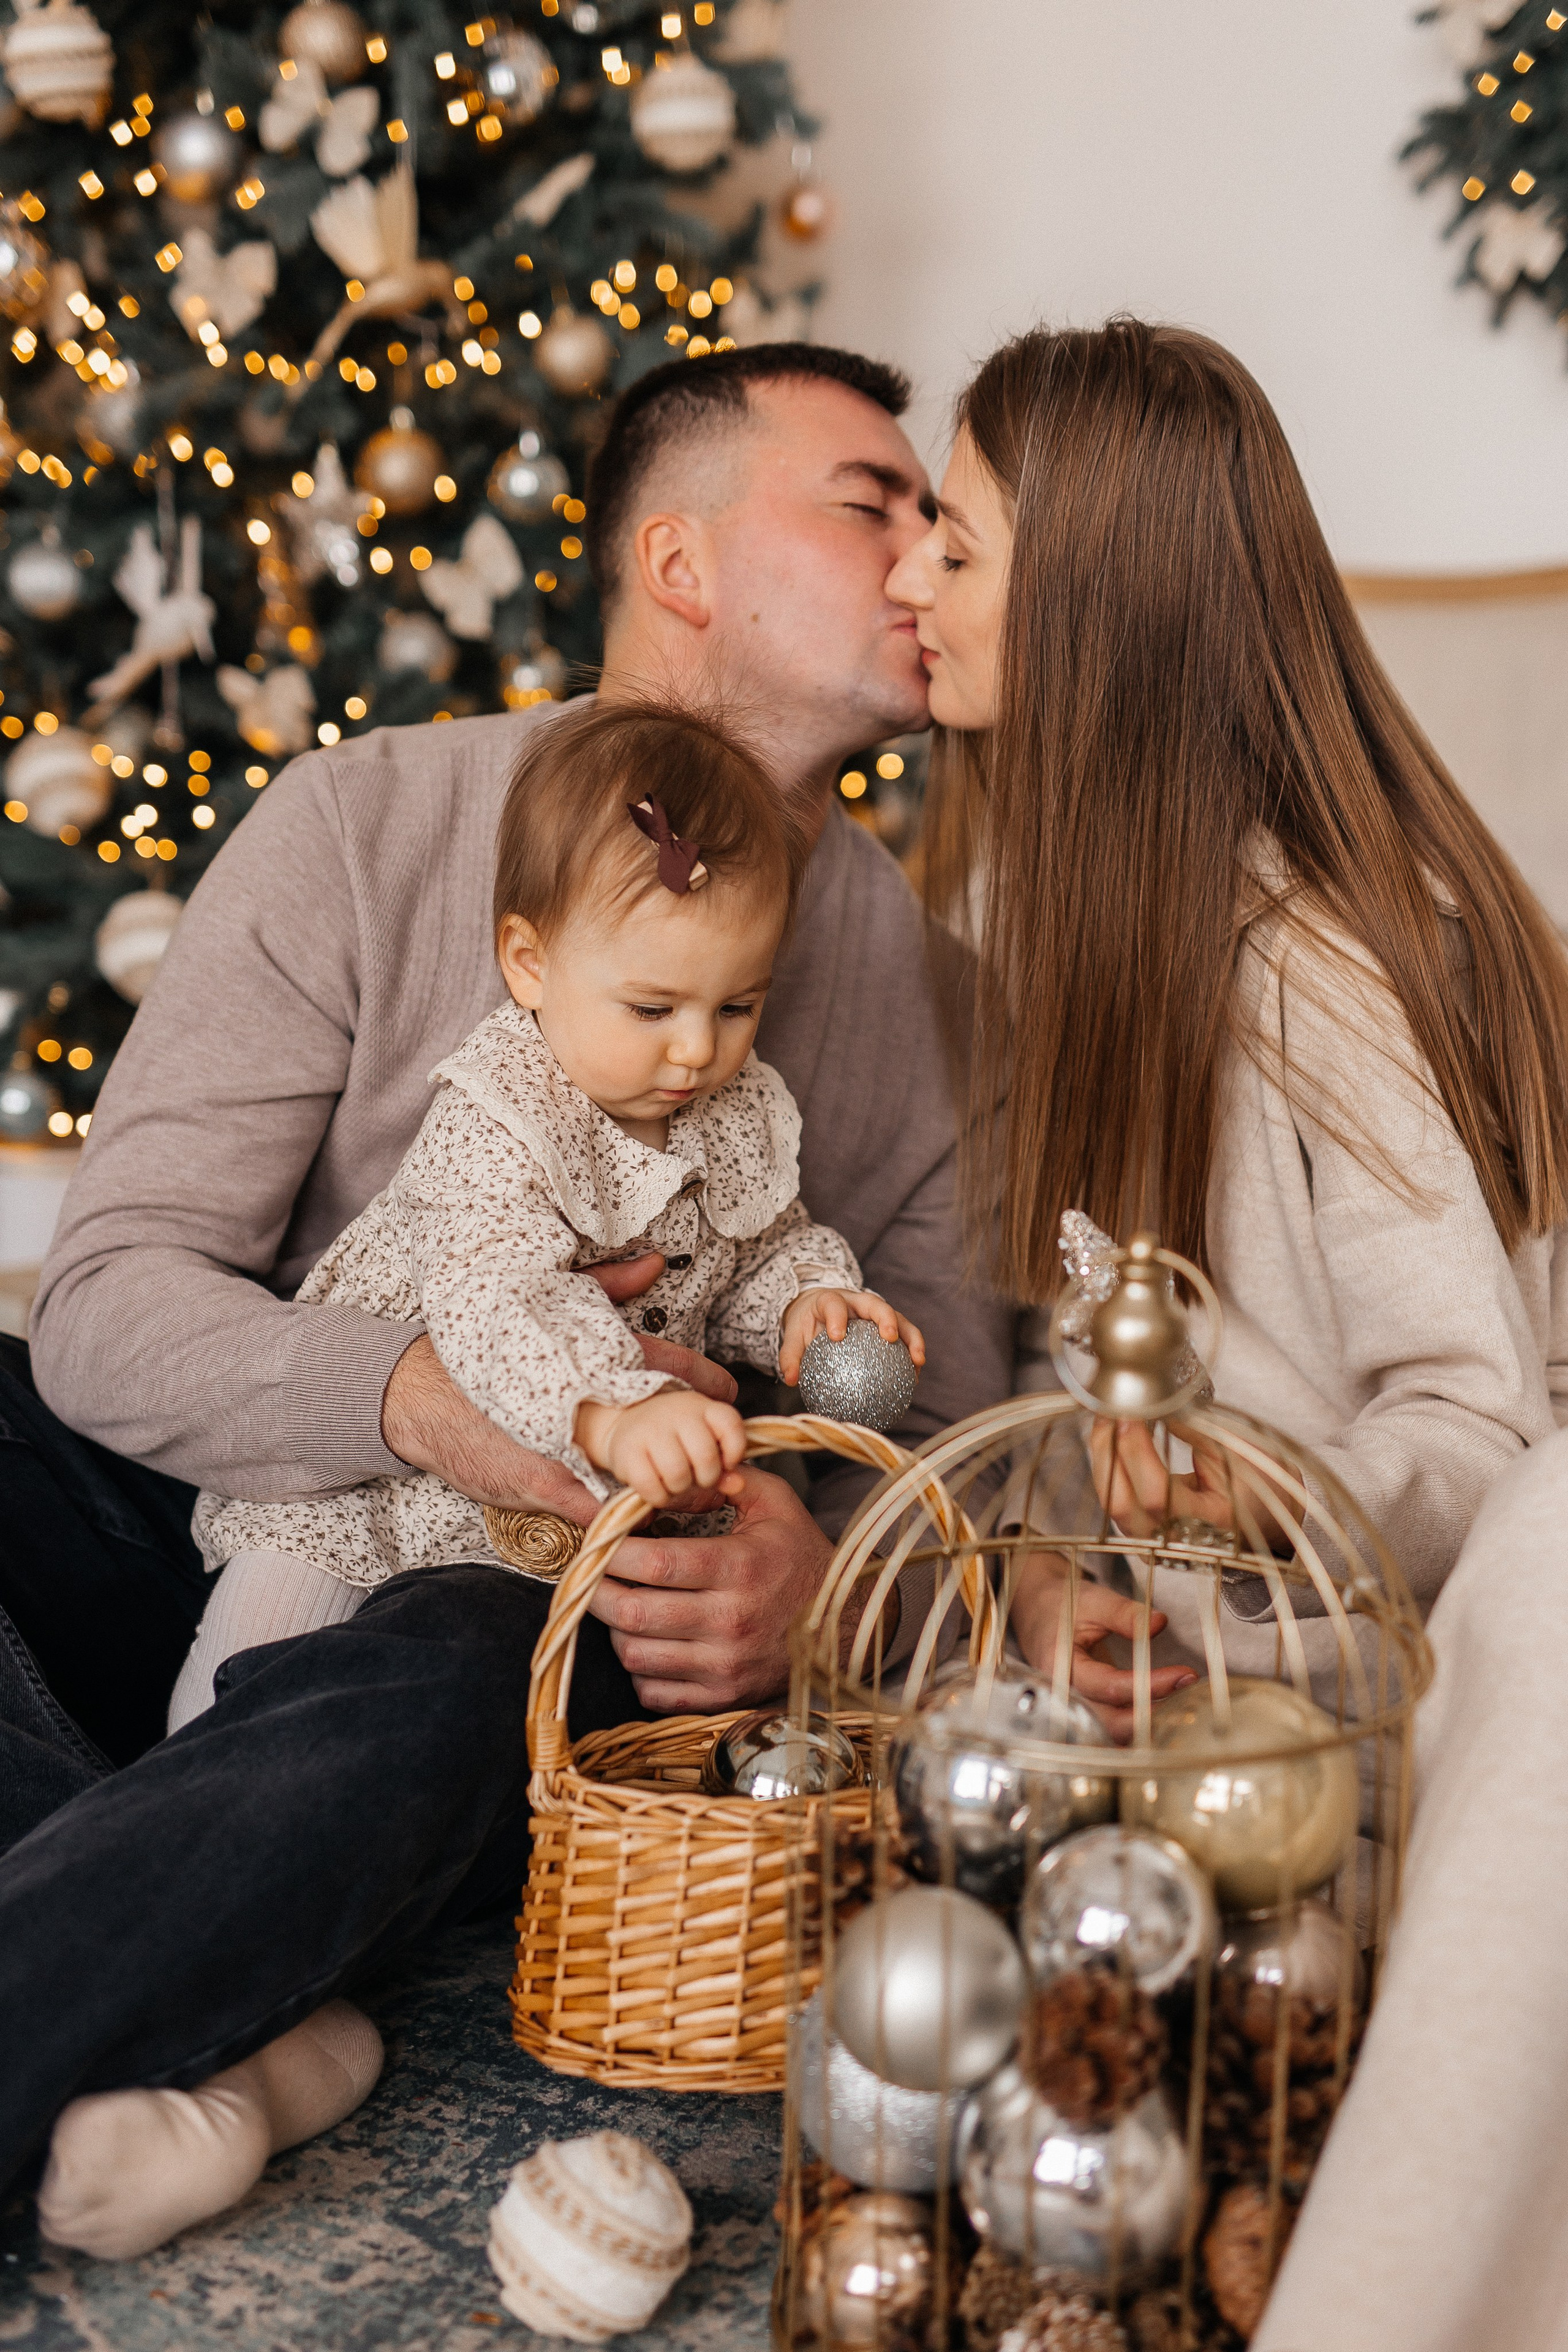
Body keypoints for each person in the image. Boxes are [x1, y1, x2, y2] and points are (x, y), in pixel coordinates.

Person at [0, 343, 1016, 2248]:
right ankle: (238, 1968)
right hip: (252, 1517)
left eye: (940, 524)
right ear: (685, 563)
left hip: (519, 1614)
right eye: (873, 504)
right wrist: (421, 1400)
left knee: (457, 1659)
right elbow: (108, 1302)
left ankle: (158, 1928)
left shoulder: (933, 1005)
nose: (922, 555)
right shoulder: (363, 826)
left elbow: (953, 1430)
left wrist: (818, 1560)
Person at [886, 317, 1568, 1722]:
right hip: (1179, 1674)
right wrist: (1041, 1579)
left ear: (1097, 611)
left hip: (1384, 1689)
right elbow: (1064, 1339)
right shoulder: (1025, 908)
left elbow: (1476, 1427)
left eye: (953, 553)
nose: (906, 582)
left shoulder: (1327, 972)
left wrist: (1273, 1503)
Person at [173, 699, 922, 1725]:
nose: (698, 1050)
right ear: (530, 963)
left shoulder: (726, 1108)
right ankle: (185, 1799)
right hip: (373, 1497)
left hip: (548, 1538)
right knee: (254, 1668)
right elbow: (496, 1288)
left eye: (737, 1005)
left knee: (482, 1711)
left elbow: (761, 1244)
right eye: (654, 1008)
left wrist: (808, 1304)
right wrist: (610, 1405)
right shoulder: (502, 1111)